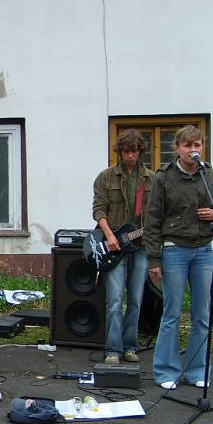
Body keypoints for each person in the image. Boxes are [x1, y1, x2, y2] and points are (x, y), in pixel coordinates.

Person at [142, 125, 213, 390]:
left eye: (197, 145)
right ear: (177, 148)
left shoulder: (212, 177)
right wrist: (154, 260)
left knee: (202, 314)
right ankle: (166, 371)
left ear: (202, 147)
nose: (192, 150)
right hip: (174, 250)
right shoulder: (164, 178)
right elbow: (152, 221)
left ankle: (197, 370)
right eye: (187, 145)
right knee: (172, 312)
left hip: (204, 250)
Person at [92, 129, 155, 365]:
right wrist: (110, 235)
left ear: (140, 151)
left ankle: (130, 346)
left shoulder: (151, 179)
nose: (130, 156)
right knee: (115, 300)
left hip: (141, 244)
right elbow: (99, 209)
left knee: (136, 299)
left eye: (134, 151)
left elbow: (158, 213)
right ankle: (112, 349)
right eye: (126, 151)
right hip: (114, 244)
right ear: (120, 152)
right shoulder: (106, 177)